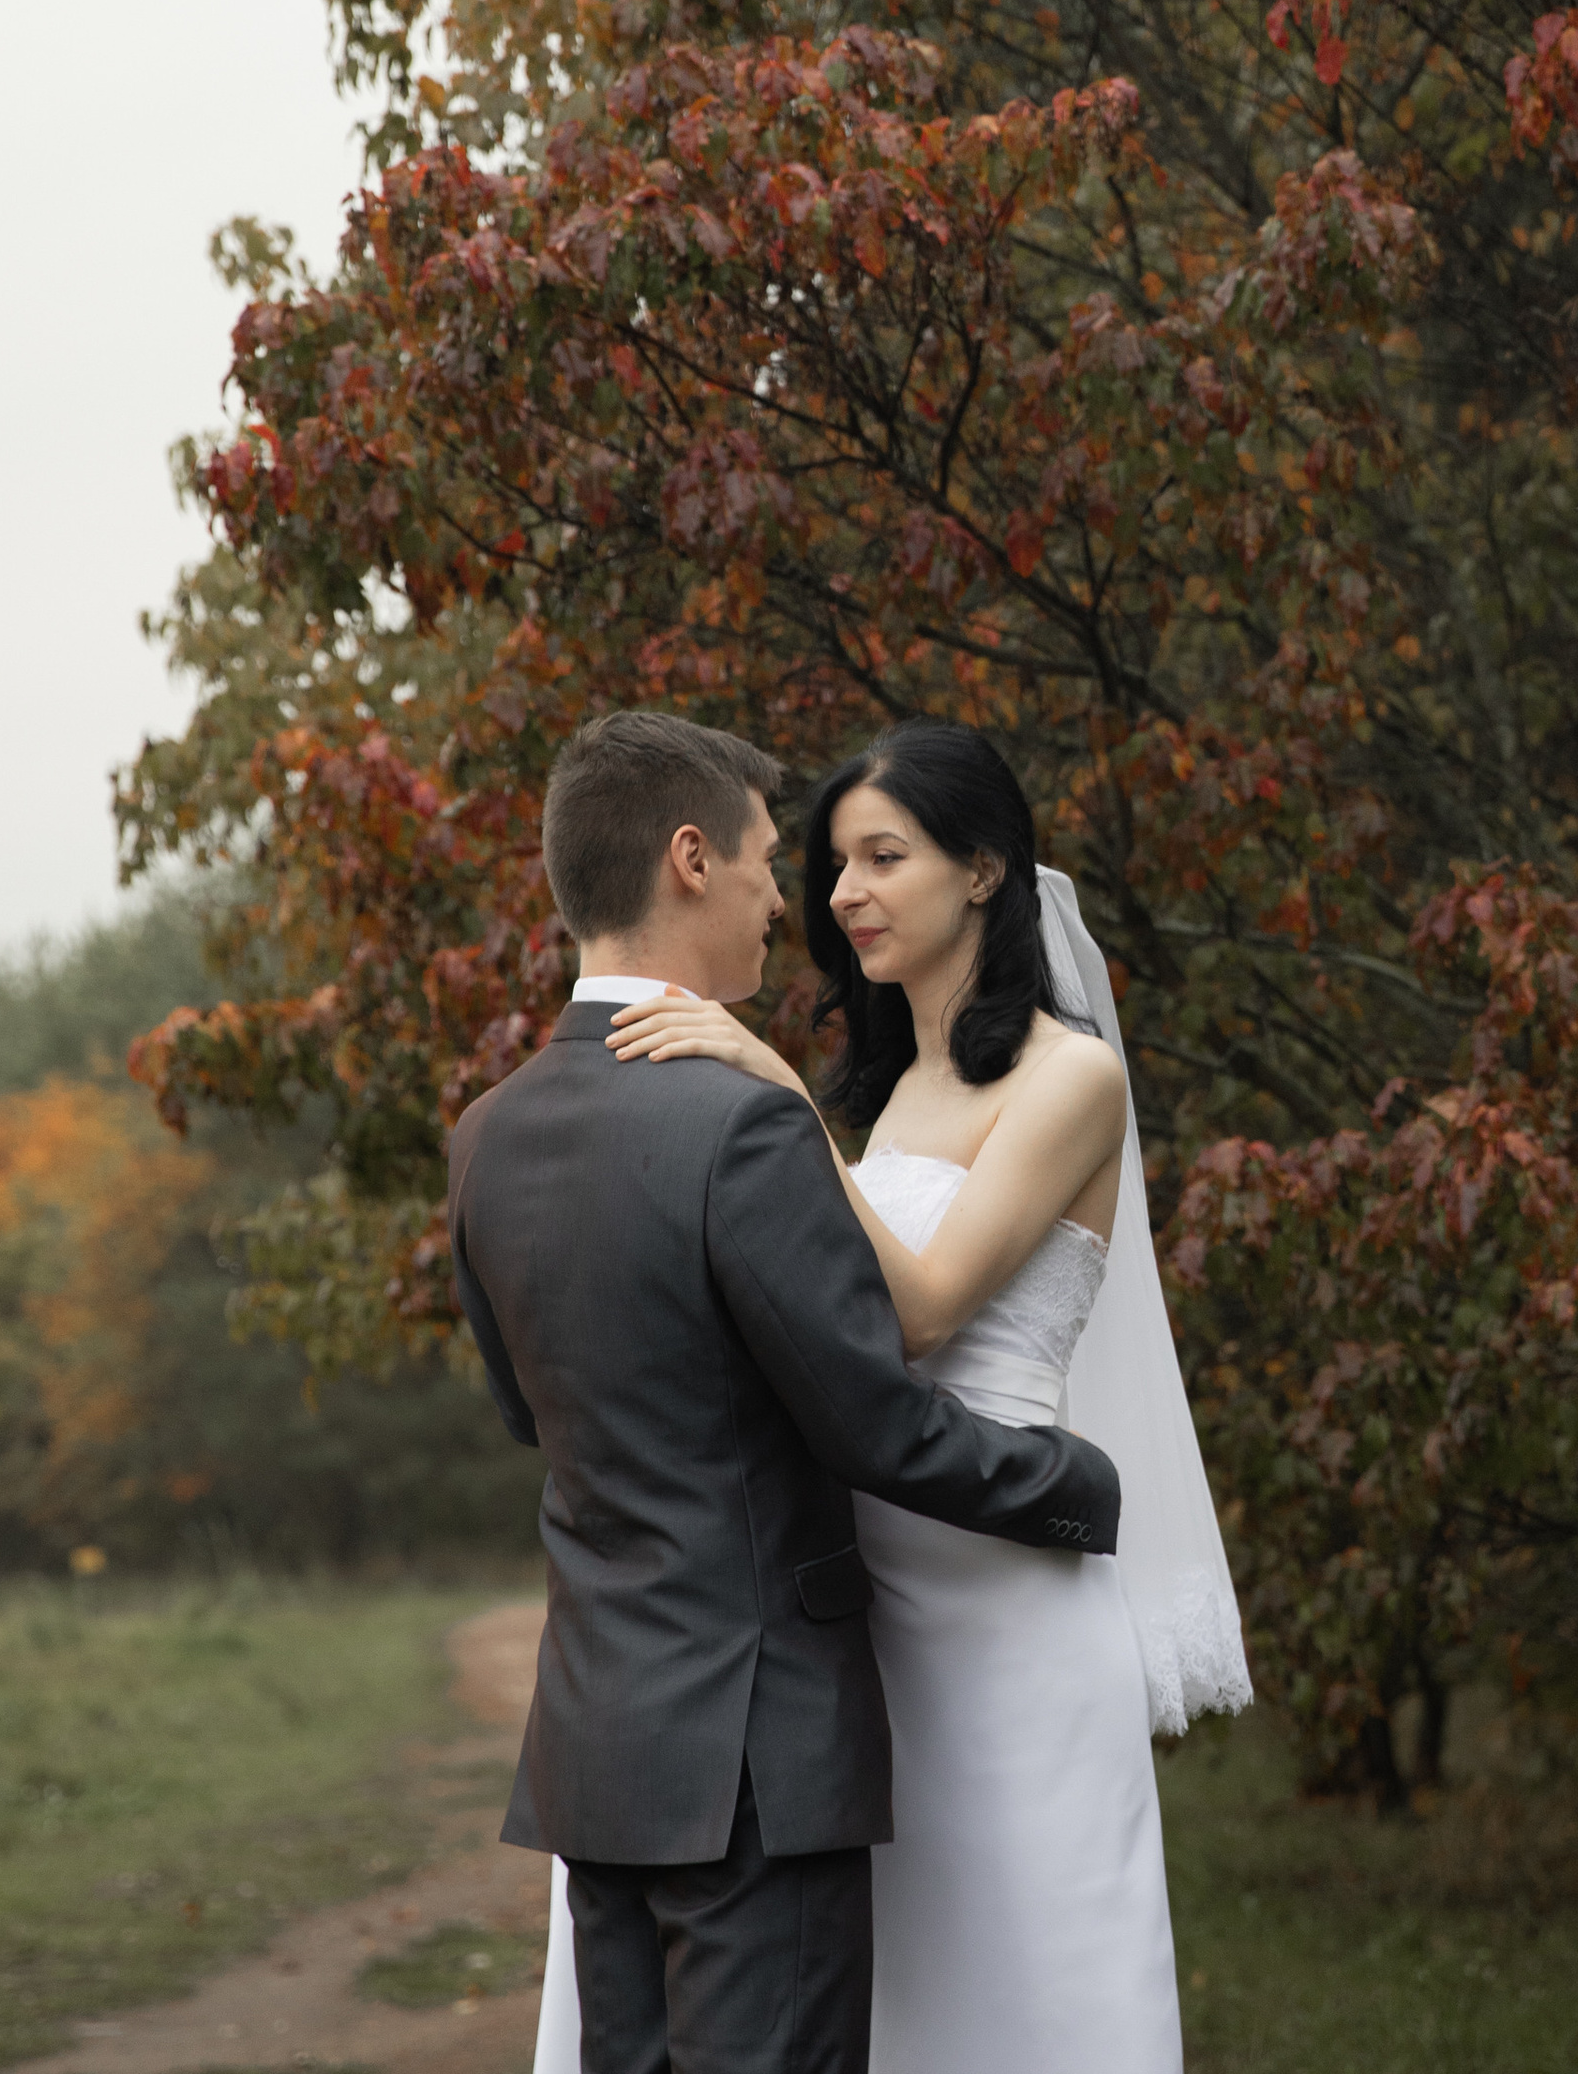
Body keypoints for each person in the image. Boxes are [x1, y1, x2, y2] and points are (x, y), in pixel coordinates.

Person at [529, 715, 1252, 2074]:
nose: (842, 893)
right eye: (829, 864)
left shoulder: (1070, 1077)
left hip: (1003, 1615)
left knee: (1025, 1999)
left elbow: (919, 1309)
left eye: (882, 856)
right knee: (889, 2006)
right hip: (866, 1624)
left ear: (983, 869)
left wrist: (775, 1098)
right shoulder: (900, 1090)